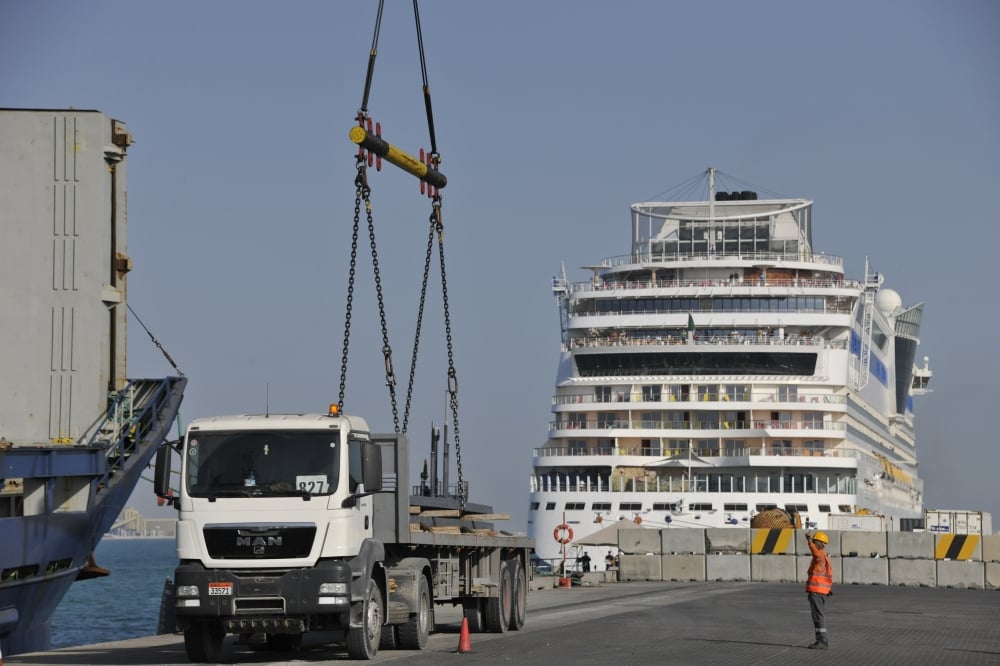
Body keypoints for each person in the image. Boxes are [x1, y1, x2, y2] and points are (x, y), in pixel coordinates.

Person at [805, 530, 833, 649]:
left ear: (818, 543)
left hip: (816, 591)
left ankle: (822, 641)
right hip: (821, 591)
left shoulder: (820, 555)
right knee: (818, 615)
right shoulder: (825, 556)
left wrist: (809, 541)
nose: (814, 544)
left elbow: (815, 553)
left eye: (815, 542)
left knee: (818, 616)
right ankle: (822, 640)